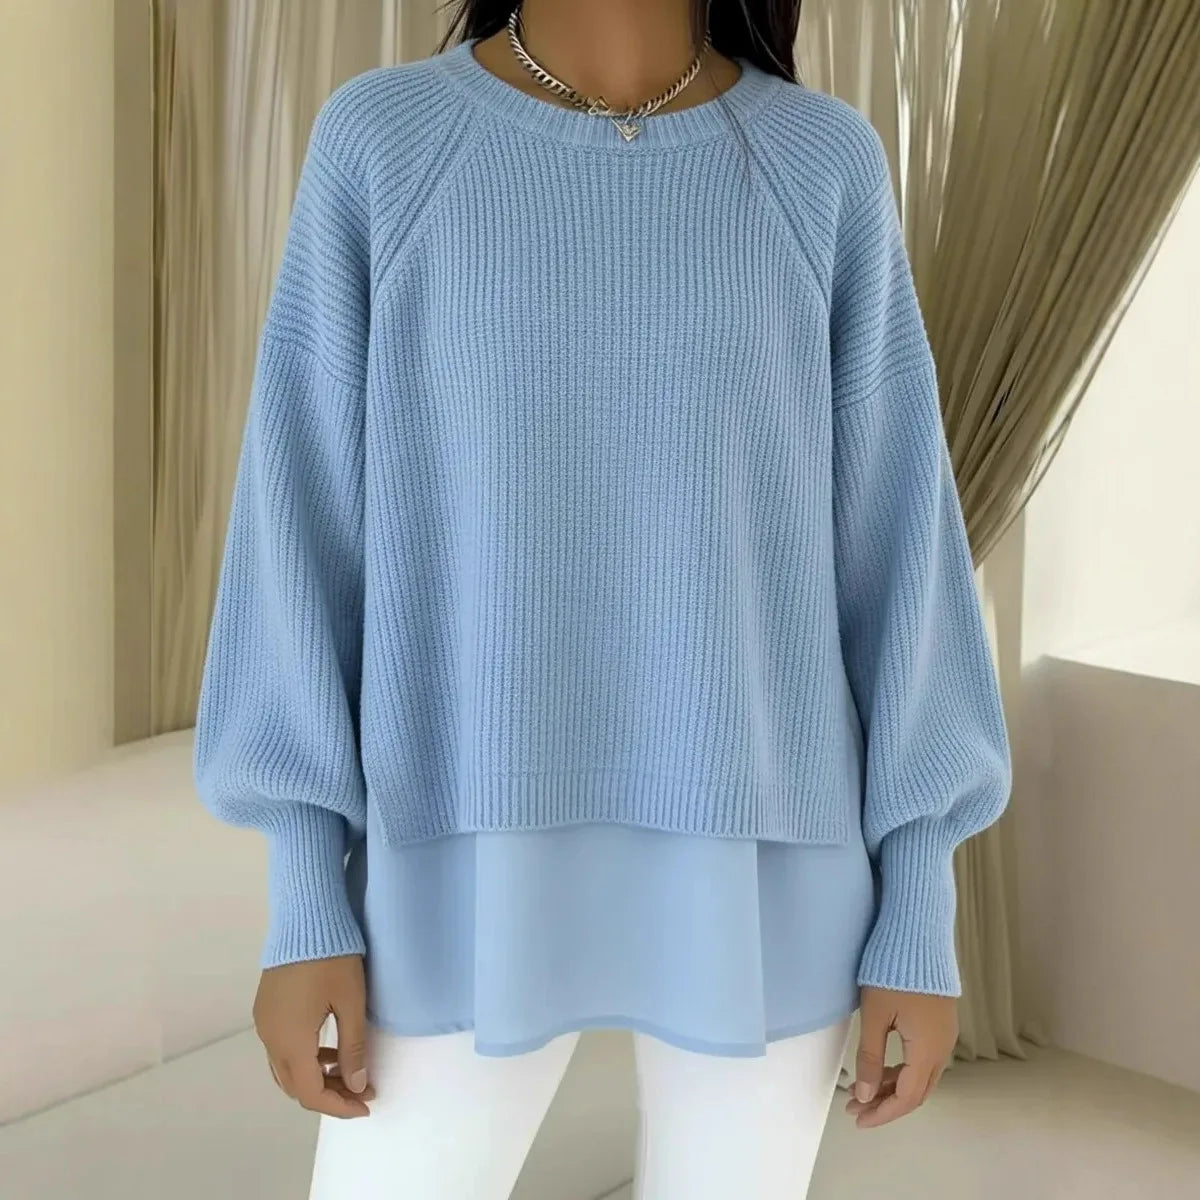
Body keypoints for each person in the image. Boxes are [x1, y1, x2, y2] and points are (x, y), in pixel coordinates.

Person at [192, 0, 1013, 1196]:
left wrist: (920, 903)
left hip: (768, 860)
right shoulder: (385, 142)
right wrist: (305, 893)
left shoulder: (817, 162)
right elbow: (299, 528)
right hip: (455, 849)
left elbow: (901, 553)